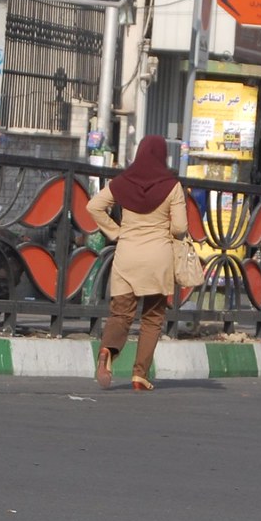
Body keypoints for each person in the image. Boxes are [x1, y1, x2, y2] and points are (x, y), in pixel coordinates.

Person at [87, 135, 188, 391]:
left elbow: (94, 206)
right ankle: (140, 374)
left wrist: (116, 231)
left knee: (121, 311)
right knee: (153, 316)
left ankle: (107, 352)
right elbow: (180, 227)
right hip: (158, 257)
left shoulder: (122, 182)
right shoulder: (172, 186)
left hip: (127, 253)